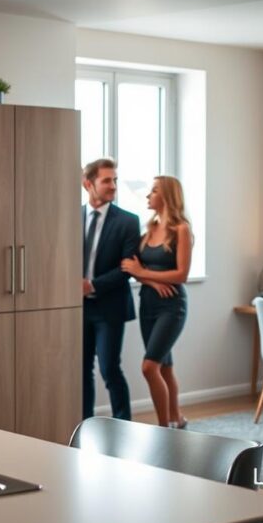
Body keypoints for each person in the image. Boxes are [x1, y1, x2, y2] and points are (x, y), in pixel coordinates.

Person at [121, 176, 193, 428]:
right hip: (148, 302)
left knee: (149, 367)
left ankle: (163, 427)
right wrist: (151, 281)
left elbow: (181, 275)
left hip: (172, 306)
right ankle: (177, 419)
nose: (148, 195)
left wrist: (145, 273)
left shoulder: (181, 230)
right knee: (164, 367)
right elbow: (130, 268)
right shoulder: (148, 230)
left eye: (153, 191)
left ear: (167, 196)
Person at [81, 158, 141, 420]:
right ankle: (83, 424)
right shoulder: (71, 216)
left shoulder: (128, 221)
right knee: (81, 371)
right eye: (107, 180)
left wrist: (92, 285)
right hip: (78, 308)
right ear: (88, 184)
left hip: (110, 307)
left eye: (115, 180)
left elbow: (127, 268)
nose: (113, 185)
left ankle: (124, 424)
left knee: (109, 369)